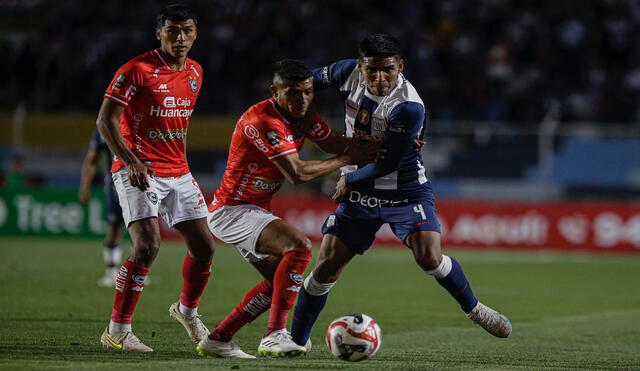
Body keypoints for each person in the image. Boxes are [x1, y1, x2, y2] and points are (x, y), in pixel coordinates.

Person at [290, 34, 512, 349]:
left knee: (429, 257)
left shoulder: (407, 106)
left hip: (404, 188)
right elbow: (305, 83)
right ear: (360, 67)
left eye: (388, 70)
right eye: (372, 71)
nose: (380, 78)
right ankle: (297, 343)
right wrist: (302, 114)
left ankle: (475, 310)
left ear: (400, 67)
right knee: (326, 267)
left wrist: (348, 180)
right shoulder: (345, 72)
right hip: (360, 190)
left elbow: (388, 163)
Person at [195, 59, 383, 359]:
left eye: (308, 92)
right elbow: (296, 174)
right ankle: (273, 336)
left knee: (277, 284)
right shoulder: (263, 121)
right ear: (275, 91)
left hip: (252, 209)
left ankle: (219, 339)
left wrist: (381, 145)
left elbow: (332, 142)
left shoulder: (304, 114)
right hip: (232, 209)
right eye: (293, 93)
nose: (303, 100)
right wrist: (348, 160)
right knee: (299, 247)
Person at [96, 4, 216, 352]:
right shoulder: (137, 69)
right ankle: (116, 331)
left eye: (188, 31)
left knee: (205, 247)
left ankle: (186, 311)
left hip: (178, 171)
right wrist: (129, 159)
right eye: (173, 31)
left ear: (196, 33)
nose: (180, 38)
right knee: (147, 245)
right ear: (159, 33)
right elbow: (105, 120)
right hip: (139, 170)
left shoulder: (196, 71)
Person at [78, 130, 125, 288]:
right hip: (115, 186)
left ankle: (139, 274)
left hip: (142, 184)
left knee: (144, 229)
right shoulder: (104, 130)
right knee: (113, 229)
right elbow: (92, 160)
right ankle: (111, 274)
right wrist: (85, 186)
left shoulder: (139, 121)